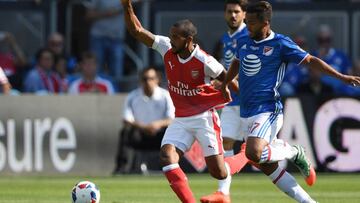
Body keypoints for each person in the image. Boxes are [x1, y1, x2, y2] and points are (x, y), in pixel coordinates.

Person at [221, 1, 360, 203]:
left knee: (252, 152)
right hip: (246, 110)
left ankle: (292, 150)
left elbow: (311, 60)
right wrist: (226, 84)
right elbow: (236, 62)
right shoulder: (244, 41)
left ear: (265, 23)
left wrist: (342, 77)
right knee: (267, 166)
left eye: (251, 22)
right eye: (247, 21)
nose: (247, 26)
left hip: (268, 109)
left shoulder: (280, 43)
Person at [121, 0, 248, 202]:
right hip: (181, 118)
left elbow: (228, 78)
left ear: (188, 40)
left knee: (220, 173)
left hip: (204, 118)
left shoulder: (205, 61)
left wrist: (242, 98)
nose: (171, 41)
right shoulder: (167, 49)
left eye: (175, 38)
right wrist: (127, 6)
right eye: (171, 36)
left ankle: (246, 155)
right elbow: (137, 31)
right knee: (167, 156)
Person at [200, 0, 248, 202]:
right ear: (224, 14)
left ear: (244, 14)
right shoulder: (224, 39)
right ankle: (223, 193)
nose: (233, 15)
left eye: (237, 12)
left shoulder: (249, 37)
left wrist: (227, 82)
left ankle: (293, 153)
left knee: (261, 153)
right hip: (232, 100)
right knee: (225, 142)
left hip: (251, 101)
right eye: (230, 12)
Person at [113, 66, 175, 174]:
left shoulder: (166, 96)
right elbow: (127, 119)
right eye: (145, 79)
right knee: (126, 132)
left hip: (160, 134)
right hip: (140, 134)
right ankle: (121, 168)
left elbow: (172, 119)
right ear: (140, 80)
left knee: (173, 132)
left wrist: (157, 124)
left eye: (151, 78)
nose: (148, 82)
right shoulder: (132, 96)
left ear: (157, 80)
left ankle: (172, 167)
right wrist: (144, 127)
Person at [84, 0, 125, 82]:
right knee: (96, 69)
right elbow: (88, 15)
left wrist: (123, 7)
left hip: (117, 38)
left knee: (117, 72)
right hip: (98, 37)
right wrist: (107, 13)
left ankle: (116, 93)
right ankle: (94, 91)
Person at [312, 24, 352, 93]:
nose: (324, 43)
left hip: (340, 88)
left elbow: (349, 73)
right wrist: (320, 58)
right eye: (321, 40)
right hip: (323, 90)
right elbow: (313, 76)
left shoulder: (341, 55)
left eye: (327, 40)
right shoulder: (313, 56)